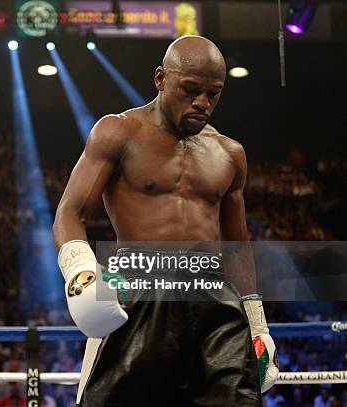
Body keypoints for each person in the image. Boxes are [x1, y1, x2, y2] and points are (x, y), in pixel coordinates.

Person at [52, 36, 278, 406]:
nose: (202, 103)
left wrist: (257, 324)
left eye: (213, 94)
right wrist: (82, 273)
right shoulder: (118, 132)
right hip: (141, 295)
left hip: (213, 303)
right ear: (161, 78)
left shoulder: (230, 153)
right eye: (191, 90)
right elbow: (69, 213)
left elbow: (236, 247)